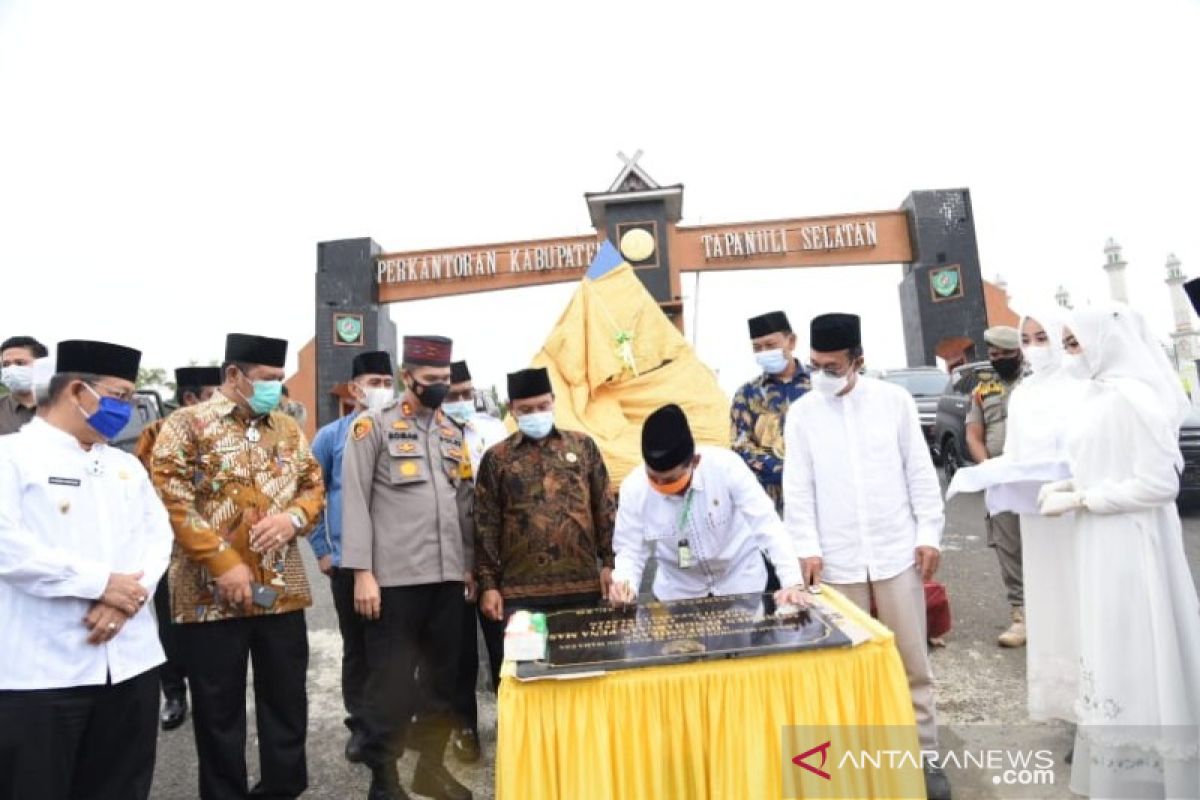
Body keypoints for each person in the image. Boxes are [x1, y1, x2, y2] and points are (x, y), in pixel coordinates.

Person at [782, 313, 950, 800]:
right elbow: (799, 489)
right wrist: (806, 547)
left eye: (833, 367)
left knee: (912, 662)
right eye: (815, 366)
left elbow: (920, 473)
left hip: (896, 553)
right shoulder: (804, 414)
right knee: (846, 667)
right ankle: (857, 766)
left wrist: (929, 533)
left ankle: (925, 759)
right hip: (837, 559)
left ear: (859, 361)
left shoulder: (893, 403)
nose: (822, 376)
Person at [149, 333, 324, 800]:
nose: (275, 387)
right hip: (210, 598)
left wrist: (294, 519)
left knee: (287, 705)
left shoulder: (286, 427)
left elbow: (313, 485)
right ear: (234, 376)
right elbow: (172, 496)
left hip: (280, 593)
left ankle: (282, 790)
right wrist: (224, 561)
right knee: (218, 713)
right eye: (267, 379)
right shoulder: (186, 425)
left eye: (278, 379)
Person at [1039, 305, 1200, 799]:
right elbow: (1102, 461)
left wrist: (1085, 498)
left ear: (1103, 341)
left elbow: (1158, 485)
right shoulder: (1095, 394)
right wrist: (1068, 484)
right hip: (1099, 541)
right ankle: (1119, 768)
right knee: (1109, 646)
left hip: (1131, 545)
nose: (1067, 355)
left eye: (1073, 344)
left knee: (1137, 646)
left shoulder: (1135, 398)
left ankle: (1156, 773)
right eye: (1063, 344)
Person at [0, 339, 173, 800]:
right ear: (78, 391)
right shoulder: (11, 457)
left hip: (132, 663)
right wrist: (99, 584)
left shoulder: (124, 466)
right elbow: (7, 547)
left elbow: (160, 537)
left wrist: (129, 598)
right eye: (119, 396)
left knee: (122, 788)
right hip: (43, 675)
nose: (126, 409)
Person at [341, 335, 474, 800]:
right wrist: (361, 571)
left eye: (446, 380)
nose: (440, 387)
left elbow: (463, 505)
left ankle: (431, 769)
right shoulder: (371, 427)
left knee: (443, 683)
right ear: (407, 377)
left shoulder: (452, 432)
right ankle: (385, 780)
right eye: (431, 380)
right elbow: (354, 501)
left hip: (447, 578)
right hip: (394, 582)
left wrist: (470, 567)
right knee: (391, 686)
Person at [474, 366, 616, 692]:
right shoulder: (498, 458)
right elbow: (485, 525)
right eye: (526, 410)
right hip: (520, 596)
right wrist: (488, 585)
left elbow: (604, 509)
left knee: (583, 676)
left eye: (541, 406)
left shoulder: (583, 448)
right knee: (526, 680)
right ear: (512, 410)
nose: (535, 414)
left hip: (581, 587)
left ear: (553, 401)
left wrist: (609, 563)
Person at [609, 403, 808, 607]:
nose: (661, 487)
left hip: (741, 586)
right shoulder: (634, 488)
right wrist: (625, 585)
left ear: (694, 462)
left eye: (671, 481)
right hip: (679, 596)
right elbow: (630, 550)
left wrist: (792, 582)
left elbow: (767, 526)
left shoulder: (726, 468)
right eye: (654, 479)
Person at [1001, 310, 1088, 724]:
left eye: (1043, 337)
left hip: (1078, 511)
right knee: (1050, 603)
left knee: (1083, 602)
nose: (1035, 346)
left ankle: (1095, 703)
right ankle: (1064, 706)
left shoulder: (1084, 385)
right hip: (1038, 516)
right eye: (1028, 338)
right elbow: (1014, 456)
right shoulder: (1022, 393)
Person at [309, 350, 395, 764]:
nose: (381, 389)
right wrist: (323, 550)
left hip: (398, 564)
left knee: (396, 648)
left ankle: (391, 723)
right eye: (373, 382)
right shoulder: (332, 436)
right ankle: (361, 726)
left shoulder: (403, 429)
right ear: (355, 388)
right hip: (348, 562)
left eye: (386, 381)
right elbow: (308, 493)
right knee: (358, 649)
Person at [134, 365, 223, 732]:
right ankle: (173, 693)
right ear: (190, 399)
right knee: (171, 625)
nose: (220, 403)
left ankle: (210, 692)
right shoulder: (153, 435)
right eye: (211, 395)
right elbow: (143, 489)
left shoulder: (223, 432)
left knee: (212, 627)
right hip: (169, 550)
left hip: (215, 546)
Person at [442, 359, 508, 764]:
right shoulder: (431, 435)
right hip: (451, 556)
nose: (462, 401)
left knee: (506, 645)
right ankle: (464, 727)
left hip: (498, 557)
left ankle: (512, 719)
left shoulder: (494, 430)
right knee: (458, 652)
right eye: (453, 396)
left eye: (467, 393)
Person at [964, 325, 1028, 648]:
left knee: (1046, 543)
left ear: (1019, 352)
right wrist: (987, 466)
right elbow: (973, 434)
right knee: (1008, 547)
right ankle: (1021, 616)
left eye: (1004, 354)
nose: (998, 359)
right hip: (1000, 480)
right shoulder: (982, 389)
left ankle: (1056, 611)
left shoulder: (1036, 382)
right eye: (993, 355)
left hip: (1034, 477)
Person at [730, 311, 811, 514]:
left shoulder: (817, 386)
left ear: (791, 342)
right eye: (757, 348)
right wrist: (781, 470)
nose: (764, 351)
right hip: (770, 503)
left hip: (819, 494)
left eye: (771, 345)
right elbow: (740, 445)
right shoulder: (746, 394)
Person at [0, 335, 49, 435]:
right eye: (6, 365)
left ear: (42, 365)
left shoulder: (66, 407)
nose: (11, 369)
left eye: (20, 363)